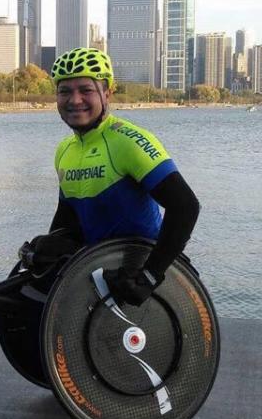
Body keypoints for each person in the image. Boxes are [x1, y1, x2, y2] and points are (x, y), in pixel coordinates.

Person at [27, 47, 200, 307]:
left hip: (137, 273)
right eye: (65, 91)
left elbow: (185, 206)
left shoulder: (129, 140)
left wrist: (150, 275)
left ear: (107, 92)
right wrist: (48, 247)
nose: (75, 100)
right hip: (98, 270)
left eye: (85, 90)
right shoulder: (65, 150)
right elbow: (68, 214)